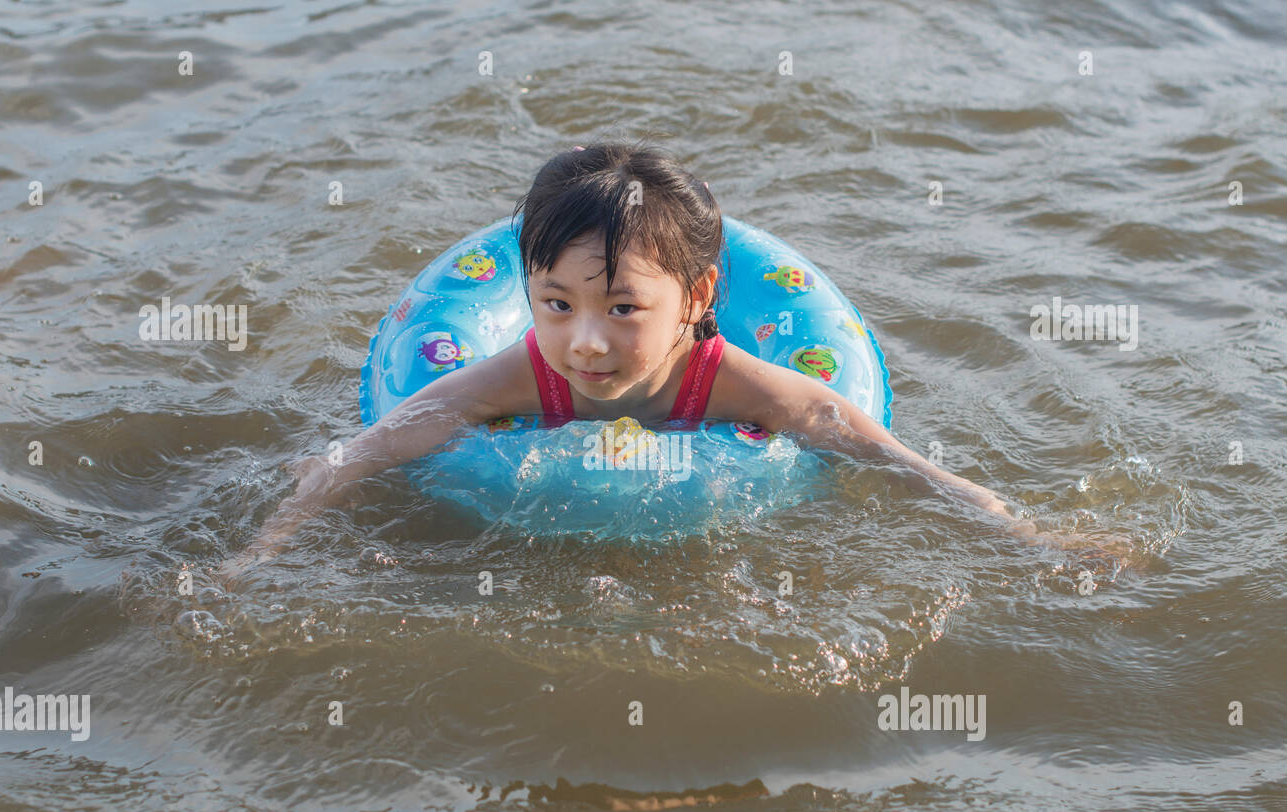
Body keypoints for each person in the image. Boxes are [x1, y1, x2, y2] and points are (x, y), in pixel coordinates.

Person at [220, 141, 1127, 578]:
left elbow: (848, 431)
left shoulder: (721, 375)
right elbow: (383, 441)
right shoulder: (524, 370)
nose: (586, 341)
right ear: (528, 294)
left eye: (623, 309)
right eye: (558, 304)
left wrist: (1019, 530)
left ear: (697, 302)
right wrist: (262, 550)